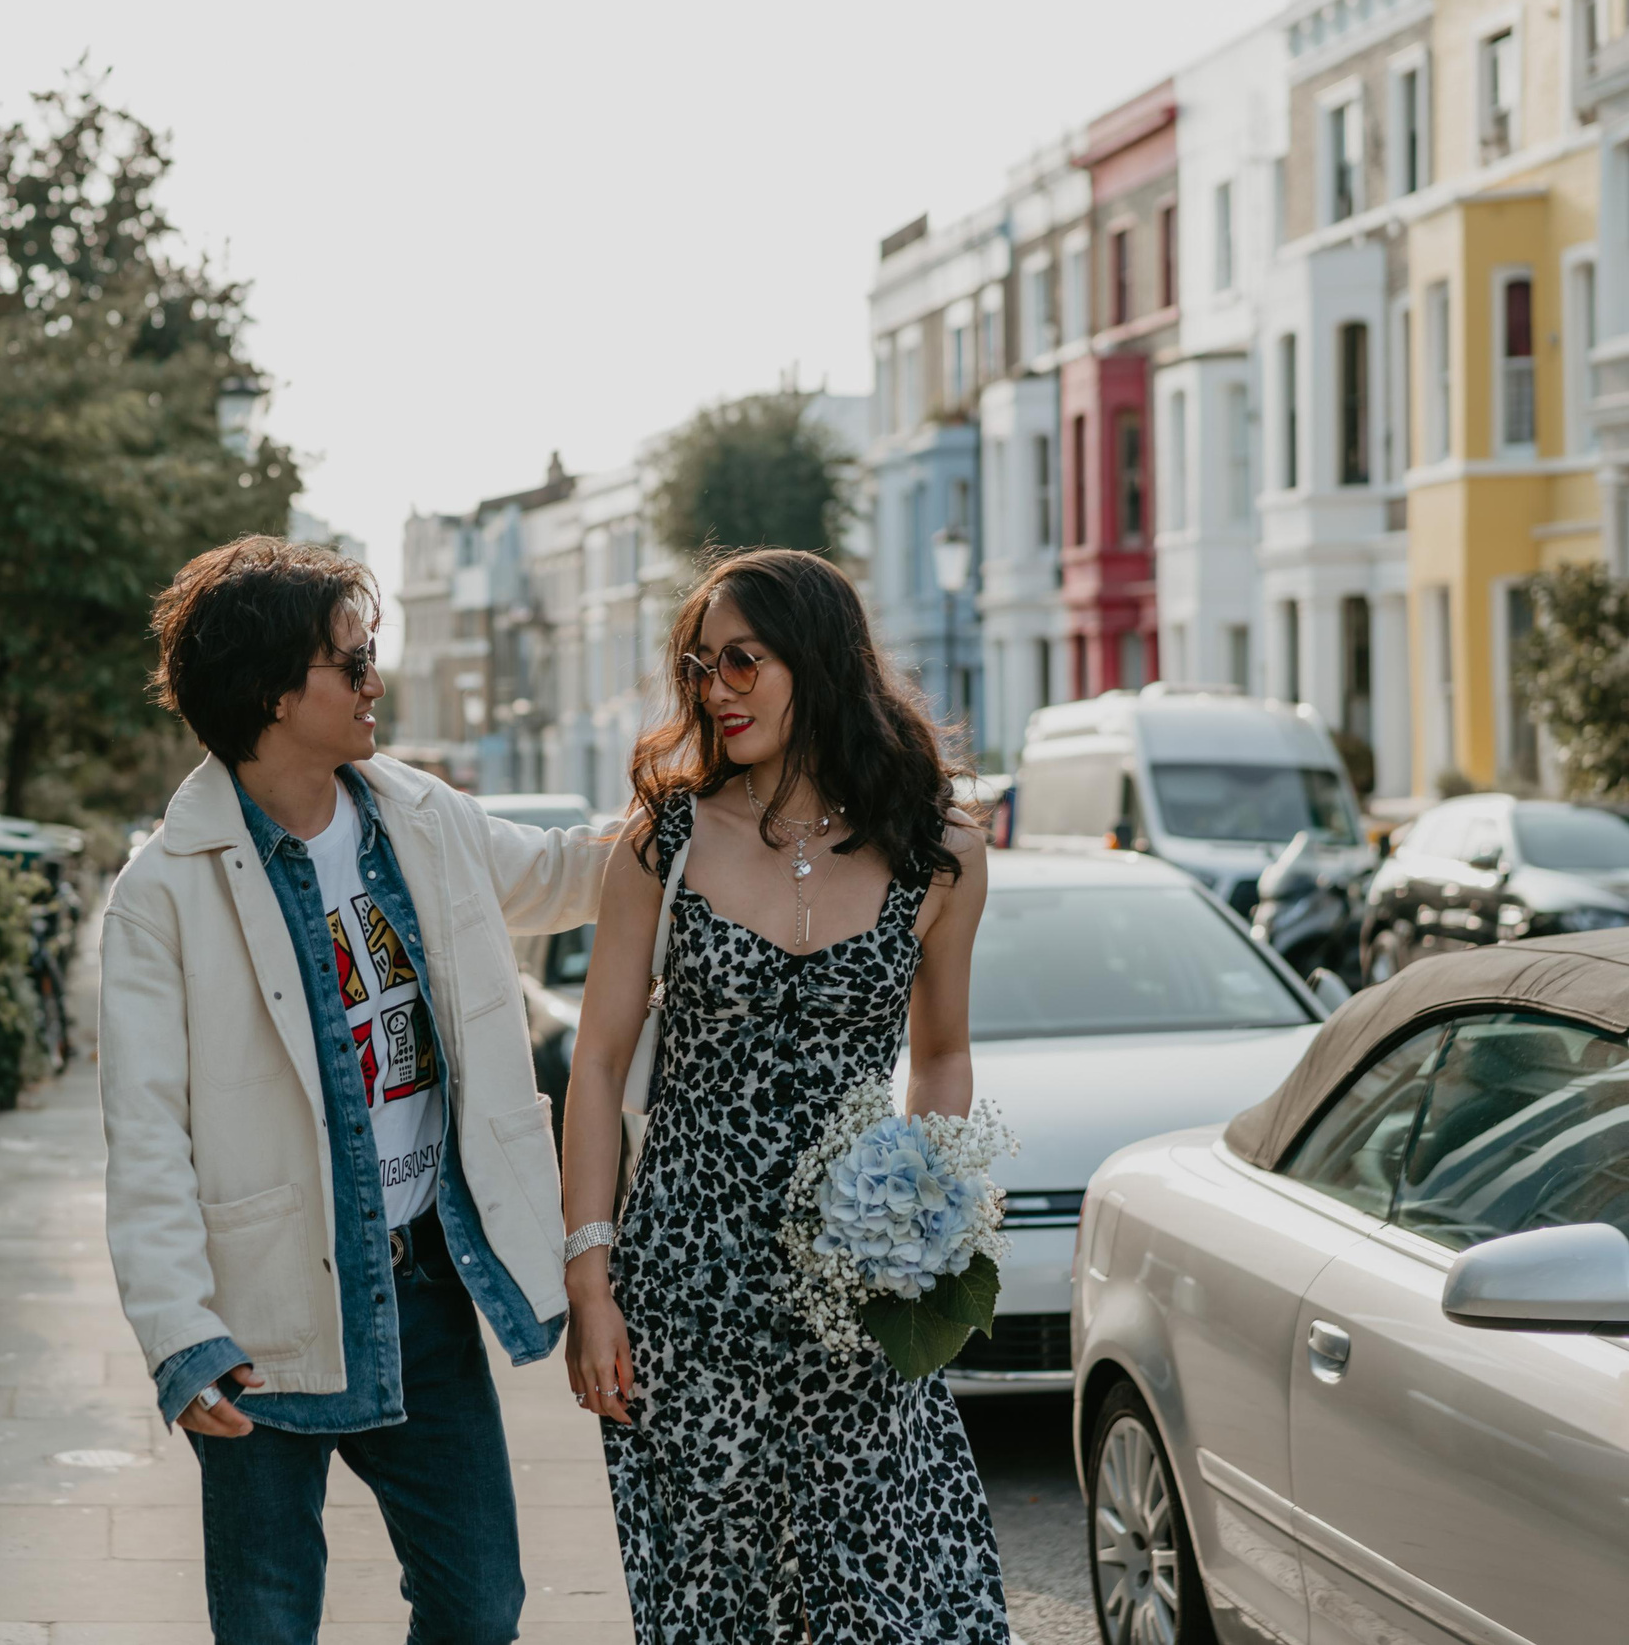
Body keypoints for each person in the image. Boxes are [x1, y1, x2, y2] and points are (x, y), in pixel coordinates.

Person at [99, 535, 614, 1645]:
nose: (376, 680)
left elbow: (570, 872)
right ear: (277, 693)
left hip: (425, 1288)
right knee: (268, 1624)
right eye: (352, 660)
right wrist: (178, 1335)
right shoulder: (160, 895)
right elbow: (145, 1138)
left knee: (480, 1606)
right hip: (262, 1316)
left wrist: (705, 805)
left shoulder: (417, 814)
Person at [558, 548, 1008, 1644]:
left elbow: (940, 1052)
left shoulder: (937, 851)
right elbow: (601, 1062)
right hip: (684, 1290)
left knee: (876, 1597)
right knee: (710, 1604)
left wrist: (922, 1220)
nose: (717, 689)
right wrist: (590, 1280)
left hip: (849, 1293)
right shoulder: (660, 841)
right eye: (700, 665)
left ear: (815, 661)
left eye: (743, 662)